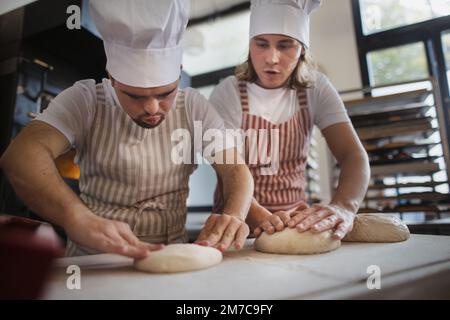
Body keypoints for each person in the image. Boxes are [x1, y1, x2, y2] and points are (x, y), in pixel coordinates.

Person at [0, 0, 253, 257]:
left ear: (178, 72)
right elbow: (21, 156)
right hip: (93, 261)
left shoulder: (194, 106)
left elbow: (234, 168)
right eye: (135, 96)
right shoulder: (86, 100)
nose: (153, 108)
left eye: (166, 93)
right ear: (111, 78)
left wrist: (233, 215)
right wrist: (75, 217)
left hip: (171, 258)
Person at [210, 0, 370, 240]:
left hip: (296, 224)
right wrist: (264, 219)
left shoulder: (316, 89)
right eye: (261, 44)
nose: (272, 58)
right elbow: (230, 171)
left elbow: (353, 156)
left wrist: (343, 206)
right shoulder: (227, 92)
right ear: (250, 44)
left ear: (302, 49)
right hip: (237, 224)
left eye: (285, 46)